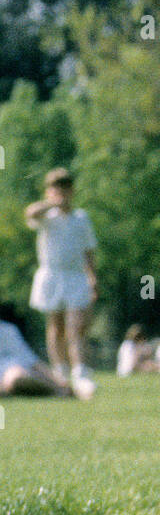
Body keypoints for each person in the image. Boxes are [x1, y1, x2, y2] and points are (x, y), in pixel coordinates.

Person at [24, 168, 98, 400]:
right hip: (51, 275)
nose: (62, 193)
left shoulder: (81, 218)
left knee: (77, 325)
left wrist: (93, 277)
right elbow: (31, 213)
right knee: (56, 327)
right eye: (57, 188)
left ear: (72, 191)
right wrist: (52, 202)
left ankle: (80, 371)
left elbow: (89, 251)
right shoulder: (46, 216)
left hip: (75, 276)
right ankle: (60, 371)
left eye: (65, 189)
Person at [0, 304, 72, 398]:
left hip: (10, 374)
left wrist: (58, 382)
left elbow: (33, 362)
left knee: (17, 377)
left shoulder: (7, 330)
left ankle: (57, 391)